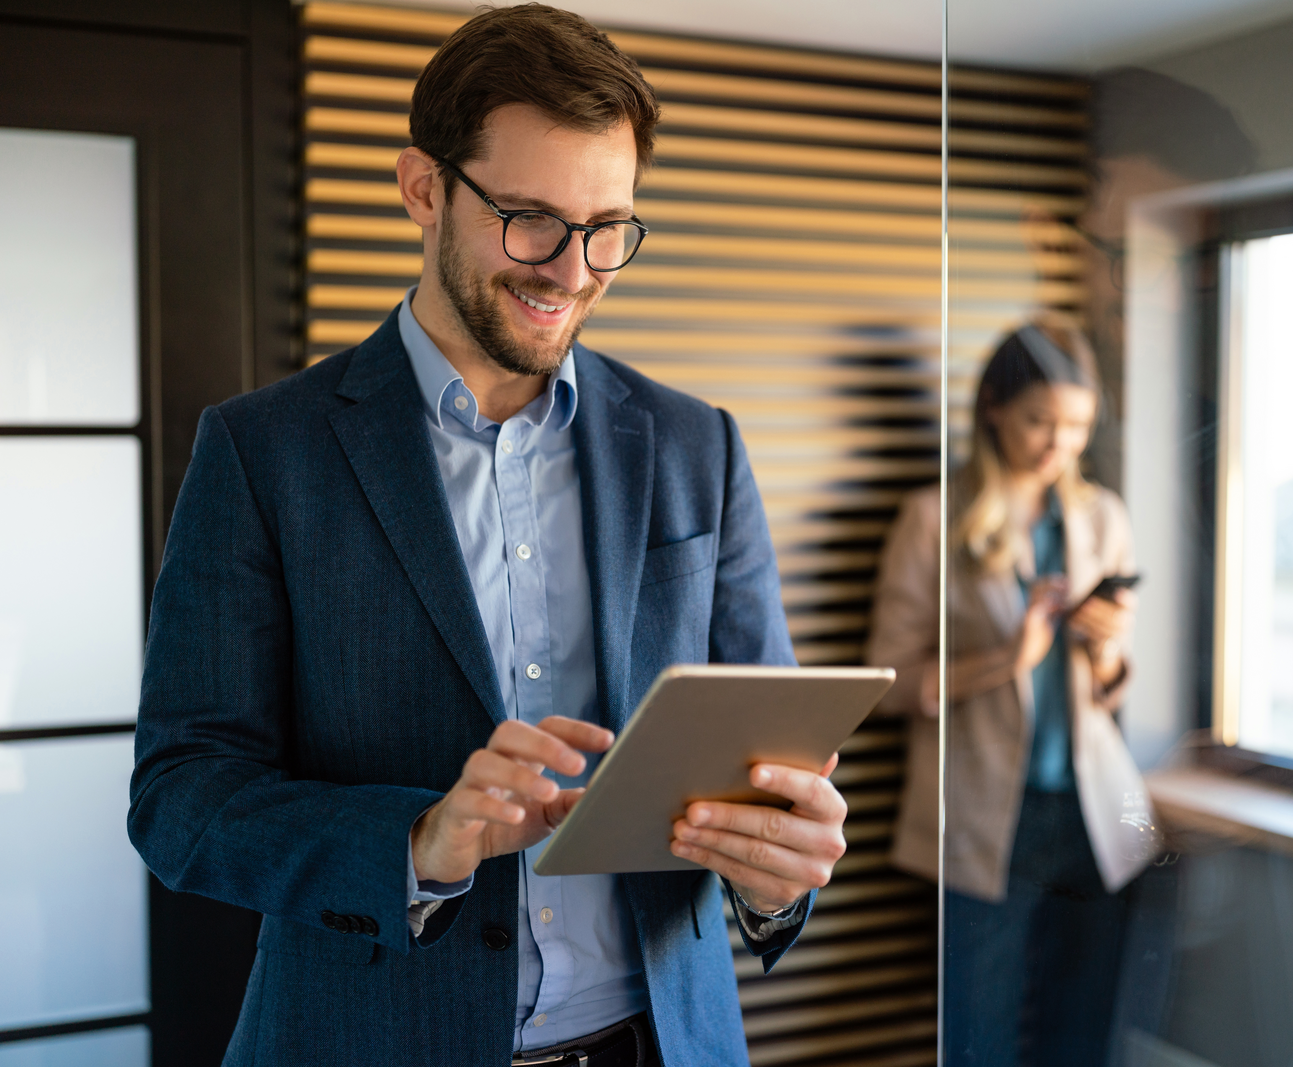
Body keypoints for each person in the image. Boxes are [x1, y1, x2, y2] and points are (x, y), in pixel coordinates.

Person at [127, 8, 848, 1066]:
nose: (572, 270)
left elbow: (763, 764)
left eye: (609, 227)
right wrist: (420, 839)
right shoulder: (261, 452)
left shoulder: (701, 445)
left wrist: (777, 874)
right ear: (424, 188)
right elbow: (182, 795)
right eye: (530, 219)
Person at [865, 321, 1159, 1065]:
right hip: (986, 818)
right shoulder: (932, 519)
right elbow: (887, 682)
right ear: (993, 407)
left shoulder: (1102, 517)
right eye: (1041, 421)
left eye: (1078, 428)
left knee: (1086, 1037)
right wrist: (1008, 658)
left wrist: (1108, 648)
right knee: (977, 1040)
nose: (1059, 446)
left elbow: (1117, 691)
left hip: (1095, 817)